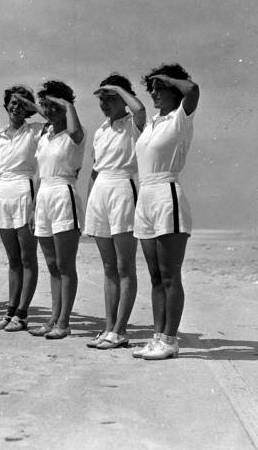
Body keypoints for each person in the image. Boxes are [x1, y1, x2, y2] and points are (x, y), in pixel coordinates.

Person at [133, 63, 200, 360]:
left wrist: (170, 78)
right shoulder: (151, 124)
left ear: (174, 90)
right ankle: (157, 336)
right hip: (145, 196)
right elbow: (135, 109)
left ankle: (171, 339)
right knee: (155, 275)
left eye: (160, 89)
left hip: (166, 194)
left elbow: (194, 90)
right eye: (152, 89)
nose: (154, 94)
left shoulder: (180, 119)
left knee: (170, 274)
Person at [84, 74, 146, 349]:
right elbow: (94, 171)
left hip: (124, 188)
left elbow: (141, 109)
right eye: (103, 99)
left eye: (111, 98)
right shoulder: (100, 130)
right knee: (108, 267)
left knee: (124, 266)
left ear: (123, 97)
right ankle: (109, 327)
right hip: (101, 192)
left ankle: (121, 330)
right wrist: (89, 203)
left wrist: (119, 88)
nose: (105, 104)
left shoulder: (133, 123)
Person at [27, 80, 85, 340]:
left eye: (55, 106)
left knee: (64, 264)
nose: (49, 111)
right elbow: (39, 174)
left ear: (65, 106)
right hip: (44, 197)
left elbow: (73, 129)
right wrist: (33, 206)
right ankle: (53, 317)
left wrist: (65, 103)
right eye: (45, 106)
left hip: (64, 194)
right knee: (51, 265)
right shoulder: (45, 137)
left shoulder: (75, 135)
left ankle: (64, 321)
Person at [0, 85, 43, 332]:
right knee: (13, 260)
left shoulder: (36, 131)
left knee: (27, 257)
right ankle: (11, 311)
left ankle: (22, 313)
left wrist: (33, 106)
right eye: (12, 102)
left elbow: (54, 118)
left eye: (21, 104)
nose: (15, 107)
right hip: (2, 194)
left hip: (24, 190)